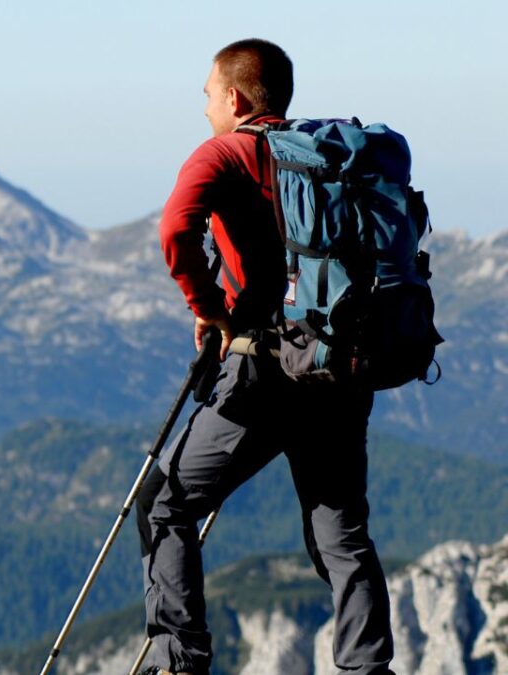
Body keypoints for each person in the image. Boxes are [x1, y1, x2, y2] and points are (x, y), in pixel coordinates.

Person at [134, 39, 395, 675]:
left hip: (264, 372)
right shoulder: (321, 158)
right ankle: (368, 670)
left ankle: (181, 662)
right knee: (340, 532)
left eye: (206, 95)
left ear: (235, 96)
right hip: (338, 366)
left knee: (164, 501)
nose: (203, 108)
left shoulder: (224, 151)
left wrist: (208, 307)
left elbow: (174, 230)